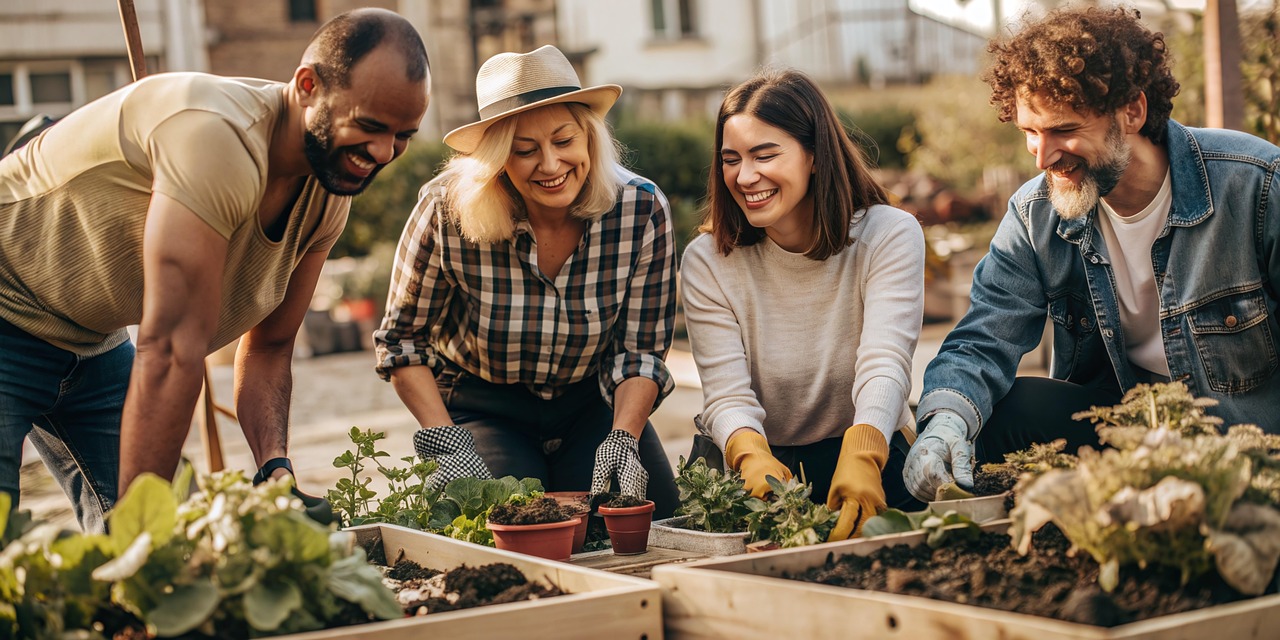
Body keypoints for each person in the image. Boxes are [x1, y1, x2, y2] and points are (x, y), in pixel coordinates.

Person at [0, 8, 431, 532]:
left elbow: (270, 345)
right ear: (307, 85)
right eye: (368, 126)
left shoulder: (329, 189)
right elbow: (170, 349)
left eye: (403, 135)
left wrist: (274, 468)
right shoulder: (216, 136)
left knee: (171, 545)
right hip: (8, 301)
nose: (384, 152)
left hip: (90, 337)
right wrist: (144, 538)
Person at [905, 6, 1280, 503]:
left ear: (1132, 111)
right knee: (998, 409)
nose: (1043, 157)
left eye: (1063, 130)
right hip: (1128, 440)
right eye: (1029, 133)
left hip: (1247, 449)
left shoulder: (1255, 184)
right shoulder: (1035, 215)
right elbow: (983, 339)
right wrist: (944, 424)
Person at [374, 45, 680, 517]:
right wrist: (446, 442)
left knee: (648, 515)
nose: (551, 164)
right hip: (485, 404)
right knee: (500, 524)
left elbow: (639, 351)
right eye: (525, 150)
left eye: (564, 141)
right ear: (498, 159)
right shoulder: (445, 211)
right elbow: (402, 342)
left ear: (589, 138)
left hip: (592, 400)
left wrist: (622, 437)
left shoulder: (640, 209)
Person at [681, 69, 926, 540]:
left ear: (814, 156)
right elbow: (726, 396)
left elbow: (885, 361)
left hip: (870, 452)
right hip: (765, 469)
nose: (745, 176)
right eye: (731, 159)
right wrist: (749, 454)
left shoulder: (888, 235)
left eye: (765, 155)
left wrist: (866, 449)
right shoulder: (708, 262)